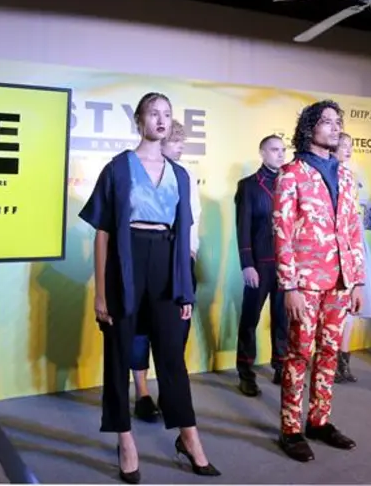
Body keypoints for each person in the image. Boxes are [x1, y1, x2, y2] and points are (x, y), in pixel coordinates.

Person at [79, 92, 220, 482]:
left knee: (172, 357)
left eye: (167, 114)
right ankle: (125, 441)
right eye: (153, 113)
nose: (160, 119)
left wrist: (185, 288)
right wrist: (101, 293)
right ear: (139, 120)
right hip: (125, 262)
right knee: (118, 353)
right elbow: (103, 233)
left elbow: (185, 233)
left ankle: (189, 438)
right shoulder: (117, 168)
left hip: (167, 263)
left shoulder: (181, 174)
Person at [273, 100, 365, 463]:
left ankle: (319, 421)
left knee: (329, 352)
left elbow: (354, 230)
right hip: (305, 281)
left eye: (338, 121)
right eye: (327, 121)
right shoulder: (291, 173)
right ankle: (290, 429)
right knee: (299, 354)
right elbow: (281, 233)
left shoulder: (345, 175)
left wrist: (357, 281)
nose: (335, 127)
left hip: (340, 281)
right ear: (309, 127)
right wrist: (289, 286)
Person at [130, 119, 200, 422]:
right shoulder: (134, 171)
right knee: (139, 330)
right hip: (146, 259)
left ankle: (170, 395)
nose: (180, 147)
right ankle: (142, 393)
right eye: (175, 141)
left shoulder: (185, 175)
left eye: (182, 142)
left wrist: (190, 256)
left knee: (175, 334)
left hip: (181, 262)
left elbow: (193, 220)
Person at [234, 134, 288, 396]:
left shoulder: (290, 183)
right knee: (250, 319)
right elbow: (242, 227)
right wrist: (247, 264)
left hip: (286, 264)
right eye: (274, 149)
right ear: (262, 153)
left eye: (283, 149)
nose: (281, 154)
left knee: (283, 319)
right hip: (259, 264)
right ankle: (245, 372)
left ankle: (281, 366)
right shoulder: (248, 186)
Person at [332, 132, 371, 383]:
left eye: (350, 146)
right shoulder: (324, 175)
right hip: (333, 243)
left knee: (352, 304)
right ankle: (328, 359)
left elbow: (369, 206)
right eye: (343, 145)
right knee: (333, 304)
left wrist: (364, 227)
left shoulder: (354, 174)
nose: (348, 149)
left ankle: (343, 362)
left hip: (356, 242)